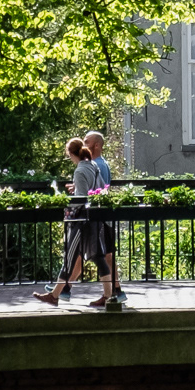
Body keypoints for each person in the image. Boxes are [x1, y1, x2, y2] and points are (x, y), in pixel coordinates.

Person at [34, 139, 100, 305]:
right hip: (92, 217)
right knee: (84, 258)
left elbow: (82, 198)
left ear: (71, 154)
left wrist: (66, 201)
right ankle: (59, 293)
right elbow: (94, 191)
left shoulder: (79, 170)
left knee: (70, 258)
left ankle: (55, 296)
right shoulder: (93, 165)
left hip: (80, 220)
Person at [83, 130, 125, 306]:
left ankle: (112, 292)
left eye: (87, 141)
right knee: (106, 255)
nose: (84, 144)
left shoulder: (96, 165)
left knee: (102, 255)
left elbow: (97, 191)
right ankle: (116, 290)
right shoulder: (102, 164)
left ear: (97, 145)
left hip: (100, 218)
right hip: (104, 217)